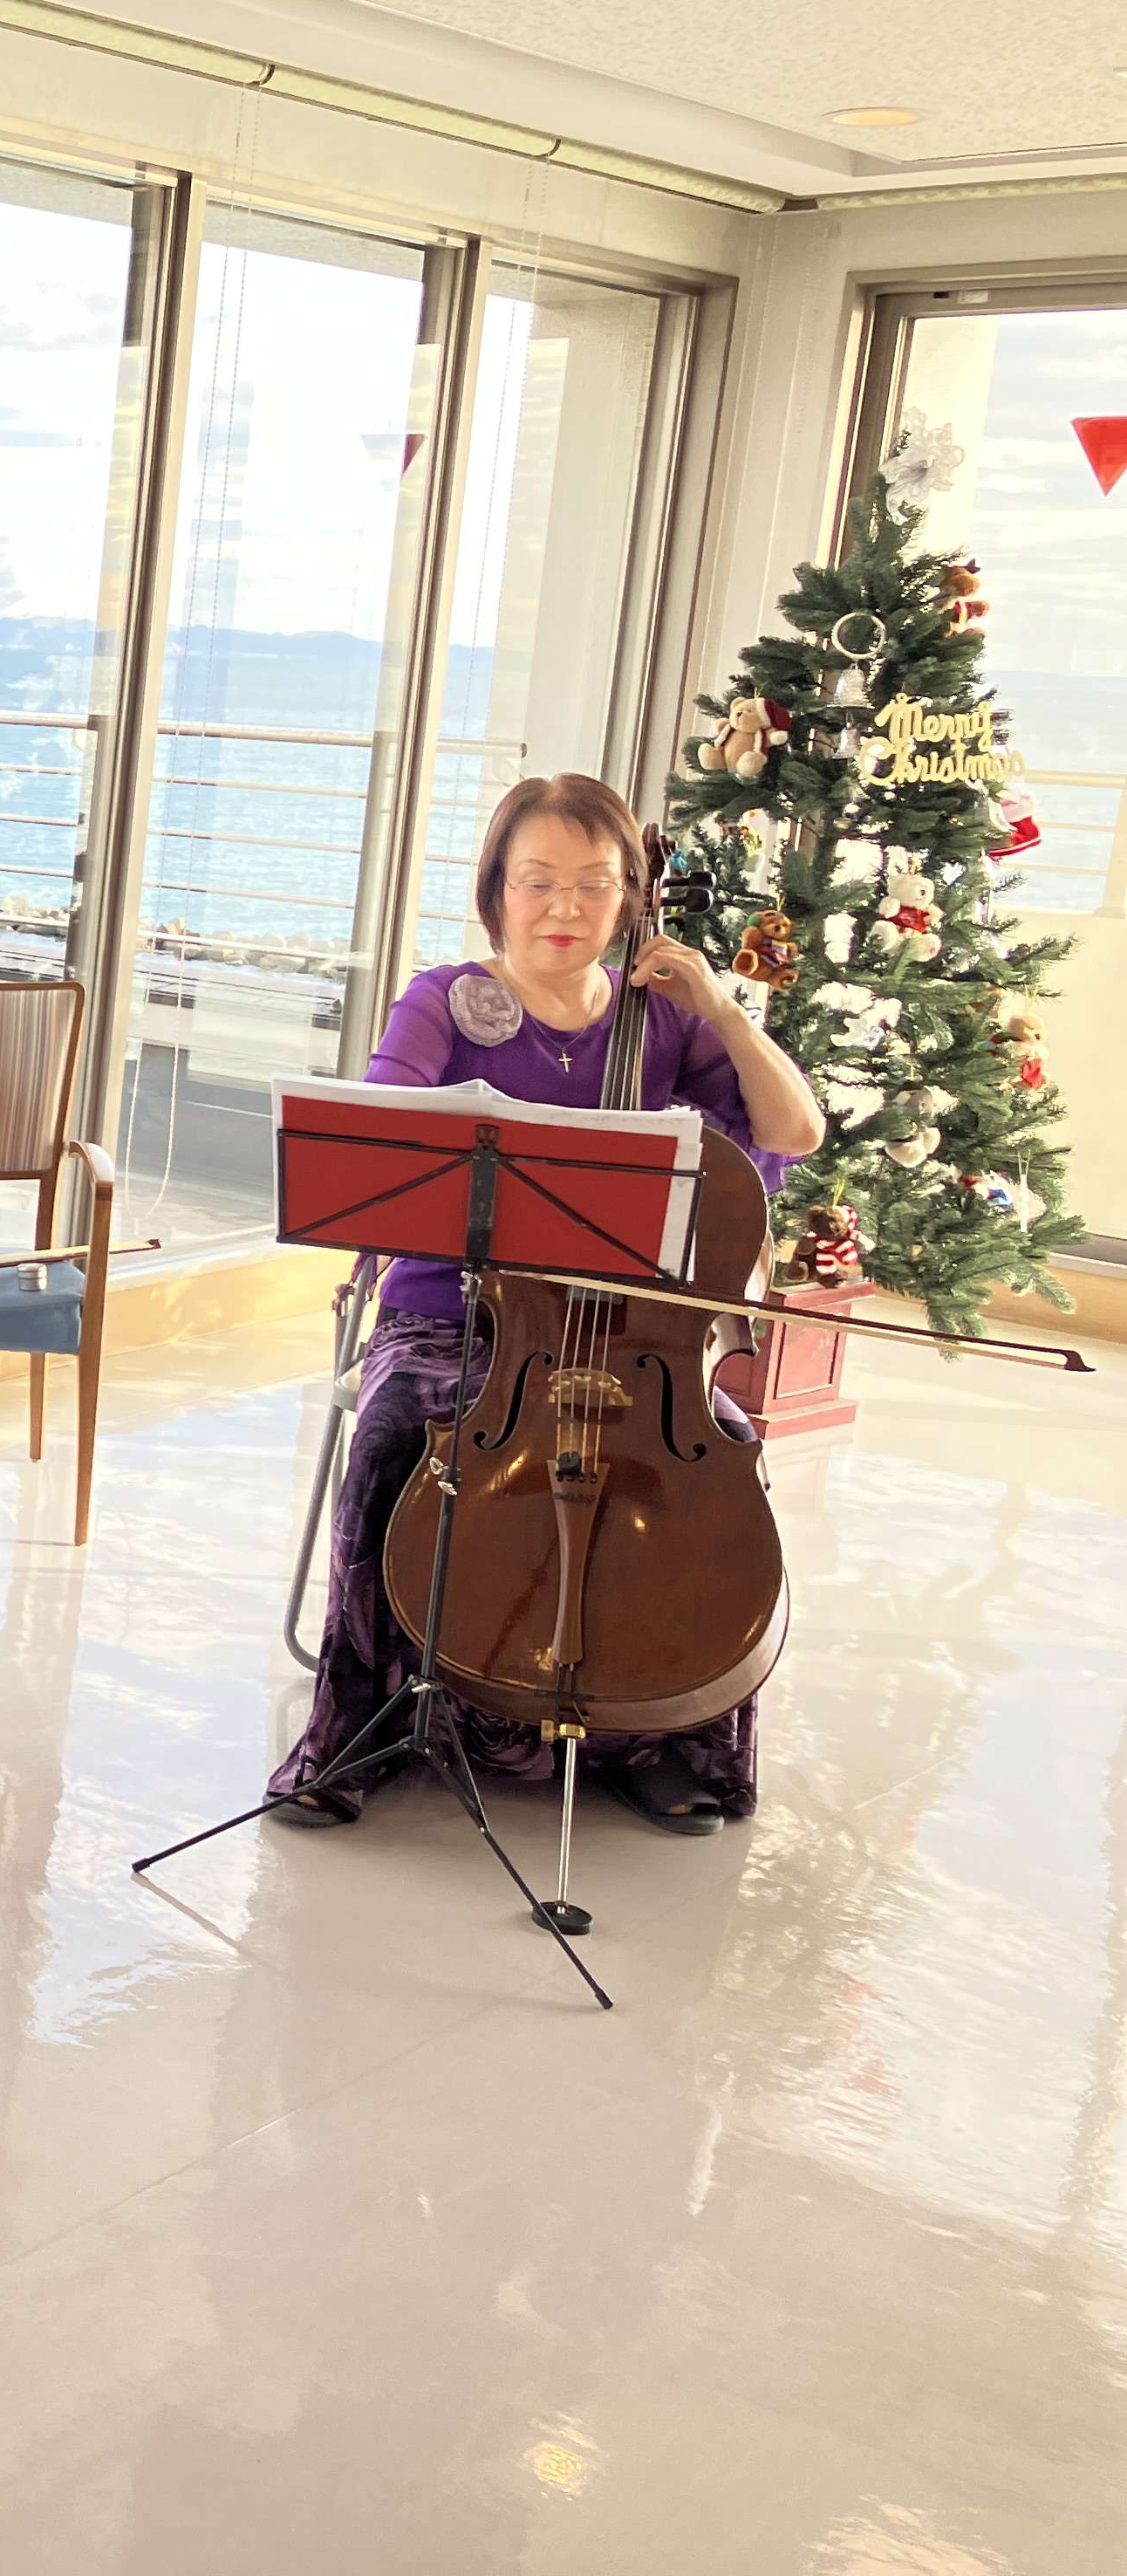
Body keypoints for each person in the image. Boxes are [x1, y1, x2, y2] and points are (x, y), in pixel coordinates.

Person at [272, 772, 826, 1838]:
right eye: (537, 882)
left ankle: (666, 1734)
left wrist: (721, 1007)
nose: (564, 908)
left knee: (720, 1443)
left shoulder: (665, 1020)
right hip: (448, 1313)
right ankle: (354, 1730)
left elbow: (793, 1132)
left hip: (627, 1331)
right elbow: (387, 1131)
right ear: (497, 891)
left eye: (594, 883)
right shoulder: (446, 1001)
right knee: (397, 1428)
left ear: (630, 897)